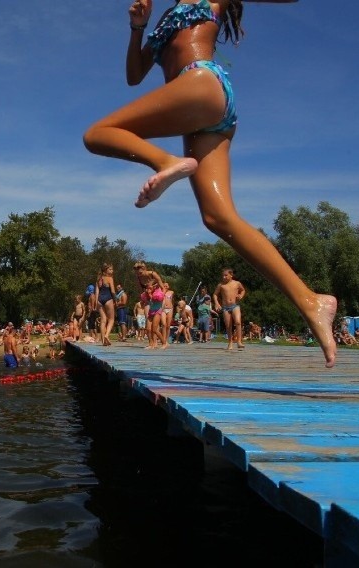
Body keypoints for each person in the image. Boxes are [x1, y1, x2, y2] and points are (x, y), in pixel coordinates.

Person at [82, 0, 337, 367]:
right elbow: (134, 75)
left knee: (98, 133)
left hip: (202, 82)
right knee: (219, 218)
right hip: (205, 114)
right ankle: (311, 301)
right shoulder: (163, 24)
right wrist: (138, 27)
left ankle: (166, 162)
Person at [213, 268, 246, 350]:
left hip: (235, 305)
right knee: (228, 325)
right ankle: (230, 342)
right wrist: (217, 303)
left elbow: (243, 290)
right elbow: (215, 294)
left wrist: (241, 295)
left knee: (238, 322)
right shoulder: (221, 285)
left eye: (226, 275)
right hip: (225, 307)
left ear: (231, 275)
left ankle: (239, 341)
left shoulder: (237, 283)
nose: (224, 277)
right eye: (223, 276)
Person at [96, 263, 117, 346]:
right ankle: (107, 335)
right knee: (111, 319)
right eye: (110, 269)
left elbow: (96, 292)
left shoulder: (98, 279)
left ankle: (103, 341)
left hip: (99, 300)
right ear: (106, 270)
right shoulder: (110, 278)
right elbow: (112, 291)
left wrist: (96, 303)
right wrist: (115, 300)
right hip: (108, 298)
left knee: (103, 320)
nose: (112, 271)